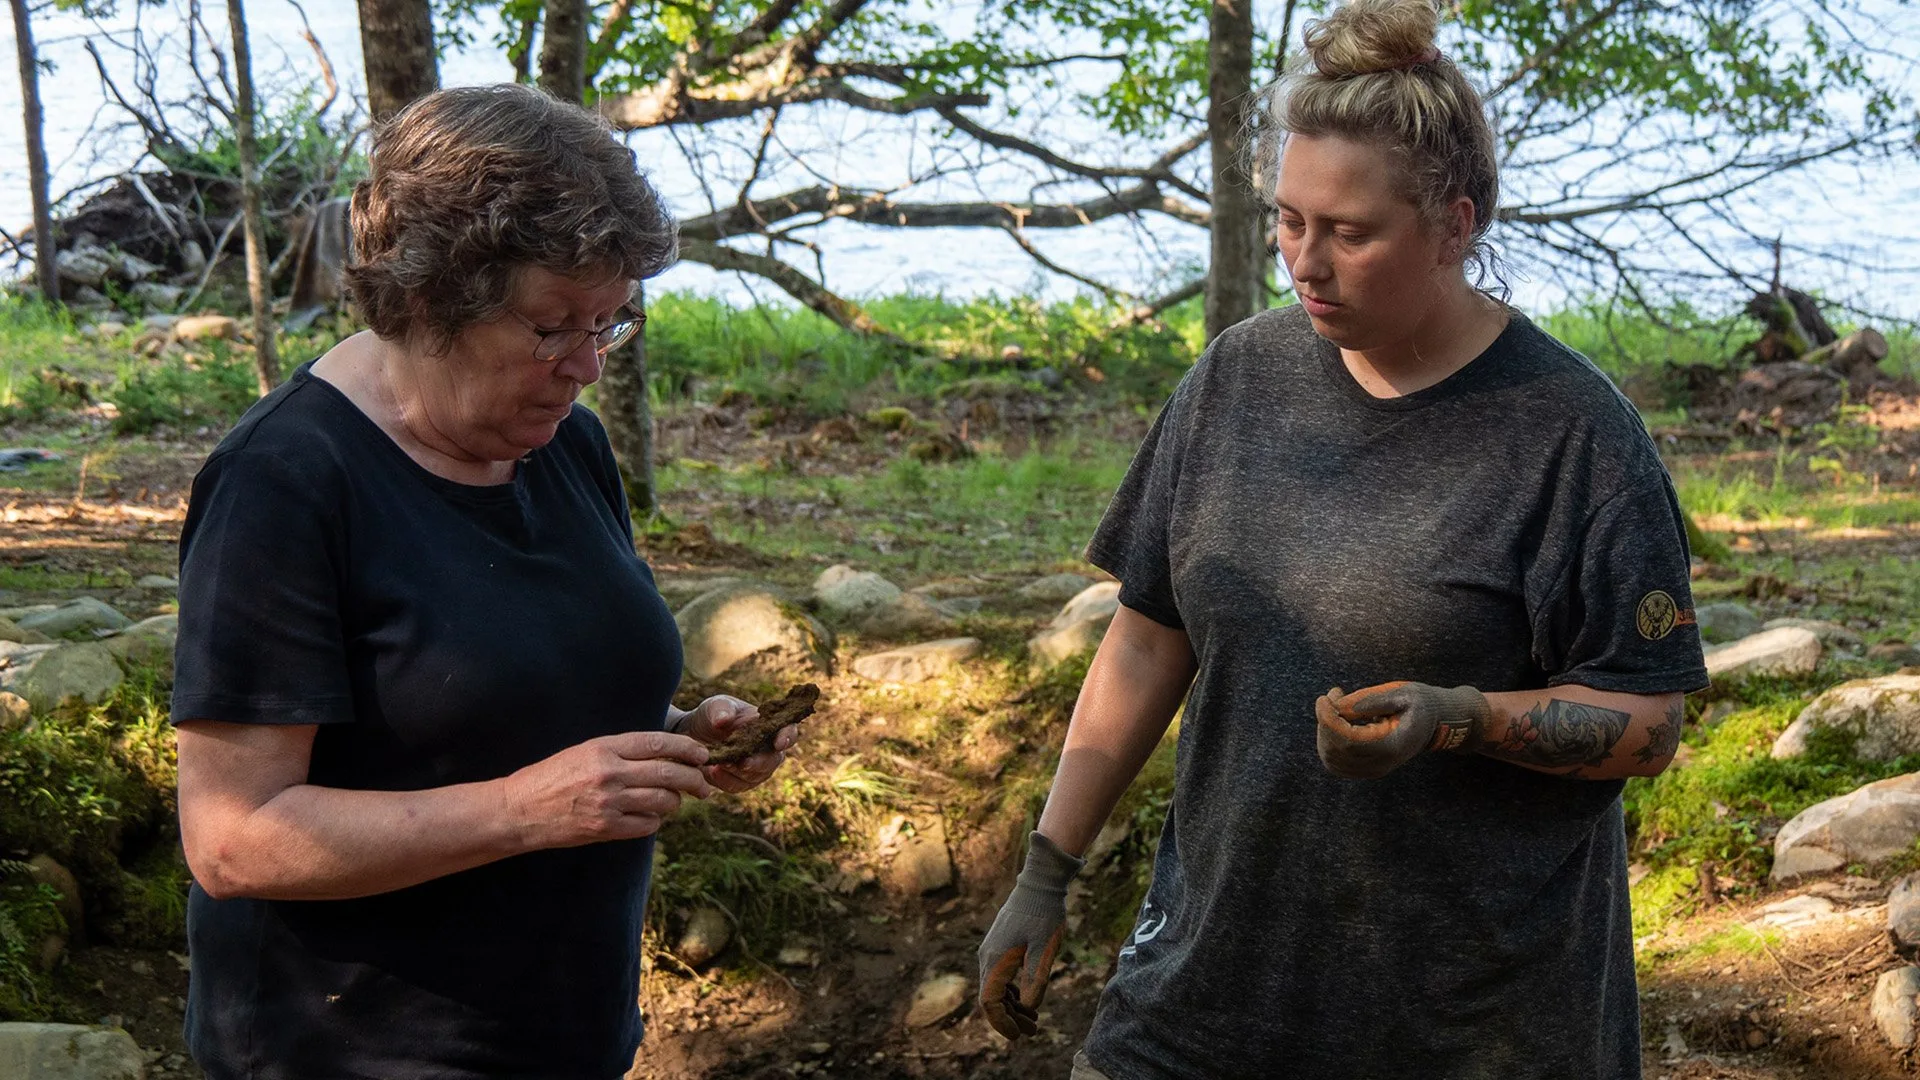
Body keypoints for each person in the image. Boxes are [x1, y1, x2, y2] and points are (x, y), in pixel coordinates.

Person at [977, 1, 1709, 1076]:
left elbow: (1649, 724)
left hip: (1472, 1024)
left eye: (1350, 233)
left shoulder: (1572, 434)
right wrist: (1048, 869)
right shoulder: (1237, 379)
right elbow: (1147, 638)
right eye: (1288, 221)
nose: (1305, 264)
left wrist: (1460, 717)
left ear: (1457, 224)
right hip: (1204, 997)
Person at [170, 84, 800, 1080]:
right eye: (552, 327)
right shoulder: (285, 484)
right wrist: (519, 809)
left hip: (562, 1045)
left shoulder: (563, 445)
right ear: (428, 301)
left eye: (611, 322)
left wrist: (671, 741)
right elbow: (234, 838)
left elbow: (492, 696)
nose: (587, 365)